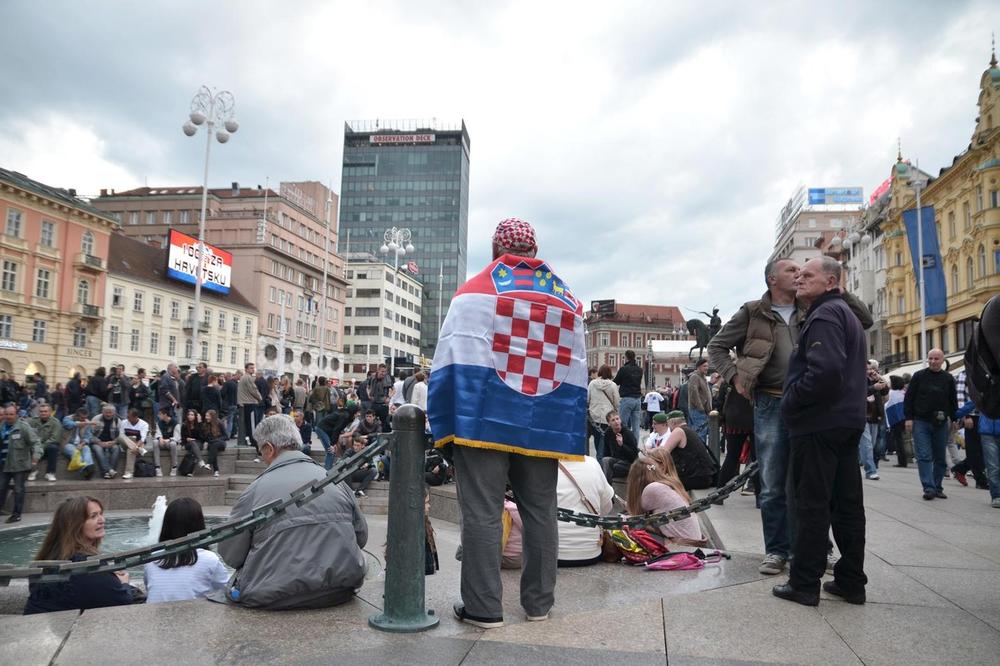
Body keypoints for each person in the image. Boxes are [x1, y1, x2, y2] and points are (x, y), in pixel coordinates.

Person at [428, 217, 588, 629]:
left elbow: (450, 360)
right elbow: (575, 373)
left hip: (482, 421)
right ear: (534, 251)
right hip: (542, 422)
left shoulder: (473, 293)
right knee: (541, 512)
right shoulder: (567, 302)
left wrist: (443, 418)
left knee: (482, 511)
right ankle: (539, 605)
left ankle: (483, 608)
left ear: (495, 250)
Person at [707, 257, 872, 577]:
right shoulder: (753, 311)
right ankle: (777, 550)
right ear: (772, 279)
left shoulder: (813, 305)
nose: (799, 274)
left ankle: (813, 550)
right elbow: (717, 347)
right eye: (791, 270)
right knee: (772, 481)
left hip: (812, 403)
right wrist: (735, 378)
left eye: (803, 271)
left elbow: (863, 320)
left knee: (811, 483)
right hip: (771, 401)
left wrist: (838, 288)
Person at [772, 256, 868, 607]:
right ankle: (851, 580)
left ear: (831, 281)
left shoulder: (825, 315)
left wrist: (791, 401)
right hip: (846, 421)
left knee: (811, 504)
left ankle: (804, 582)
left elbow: (825, 372)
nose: (799, 279)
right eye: (798, 274)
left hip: (818, 423)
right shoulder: (846, 314)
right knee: (847, 505)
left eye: (808, 275)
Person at [216, 415, 368, 609]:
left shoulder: (254, 491)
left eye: (261, 451)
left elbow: (231, 555)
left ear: (269, 448)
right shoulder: (333, 480)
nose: (262, 458)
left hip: (274, 595)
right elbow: (361, 537)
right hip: (340, 589)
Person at [23, 496, 135, 614]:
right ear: (75, 525)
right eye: (93, 516)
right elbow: (122, 600)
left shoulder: (50, 555)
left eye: (101, 514)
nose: (102, 520)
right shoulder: (87, 564)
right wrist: (124, 582)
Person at [144, 497, 229, 603]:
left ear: (166, 524)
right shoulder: (209, 559)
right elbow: (225, 589)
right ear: (199, 524)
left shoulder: (152, 558)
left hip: (154, 612)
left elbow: (149, 588)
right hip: (194, 612)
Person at [904, 349, 958, 500]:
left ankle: (937, 486)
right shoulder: (918, 376)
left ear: (942, 360)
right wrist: (908, 418)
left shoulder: (948, 378)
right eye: (930, 358)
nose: (933, 361)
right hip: (921, 421)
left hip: (941, 422)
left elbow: (953, 400)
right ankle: (929, 487)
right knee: (924, 455)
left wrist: (954, 419)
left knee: (940, 457)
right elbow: (909, 398)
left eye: (936, 359)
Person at [625, 447, 704, 545]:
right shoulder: (670, 483)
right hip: (693, 541)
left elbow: (637, 518)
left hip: (683, 545)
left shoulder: (652, 488)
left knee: (632, 532)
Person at [555, 455, 614, 566]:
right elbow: (607, 507)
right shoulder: (592, 463)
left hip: (550, 554)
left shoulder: (541, 466)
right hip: (590, 552)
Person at [1, 403, 41, 522]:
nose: (8, 416)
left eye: (11, 414)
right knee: (1, 488)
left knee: (19, 489)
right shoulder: (1, 426)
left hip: (19, 464)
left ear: (16, 415)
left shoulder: (23, 427)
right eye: (6, 414)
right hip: (3, 464)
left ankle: (16, 514)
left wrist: (36, 456)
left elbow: (36, 442)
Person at [659, 410, 718, 490]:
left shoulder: (678, 431)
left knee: (659, 483)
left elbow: (663, 452)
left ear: (673, 422)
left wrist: (650, 454)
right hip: (703, 476)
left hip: (695, 478)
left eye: (668, 424)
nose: (668, 427)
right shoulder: (689, 430)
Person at [859, 361, 888, 481]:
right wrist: (873, 387)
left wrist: (880, 379)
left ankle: (864, 462)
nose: (870, 371)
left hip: (875, 416)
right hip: (863, 414)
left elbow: (885, 391)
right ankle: (871, 470)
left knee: (872, 443)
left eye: (872, 369)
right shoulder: (858, 379)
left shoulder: (874, 379)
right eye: (867, 369)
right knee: (867, 443)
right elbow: (860, 393)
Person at [588, 365, 619, 460]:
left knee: (597, 440)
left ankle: (599, 458)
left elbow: (588, 398)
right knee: (605, 441)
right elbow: (616, 402)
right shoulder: (613, 385)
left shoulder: (592, 383)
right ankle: (602, 460)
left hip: (594, 416)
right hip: (607, 418)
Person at [613, 350, 643, 444]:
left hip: (627, 398)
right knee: (636, 426)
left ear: (626, 357)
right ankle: (634, 446)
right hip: (637, 399)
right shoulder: (640, 369)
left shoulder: (623, 369)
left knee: (623, 425)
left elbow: (616, 382)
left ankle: (623, 444)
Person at [28, 403, 63, 482]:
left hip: (47, 446)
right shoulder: (32, 421)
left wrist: (40, 447)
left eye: (45, 411)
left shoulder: (56, 422)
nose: (43, 413)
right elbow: (29, 435)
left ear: (50, 412)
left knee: (53, 447)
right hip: (35, 445)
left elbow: (54, 438)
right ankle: (33, 470)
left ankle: (50, 473)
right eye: (41, 411)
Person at [601, 411, 639, 482]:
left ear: (620, 420)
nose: (616, 422)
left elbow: (634, 456)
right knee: (604, 461)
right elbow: (606, 452)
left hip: (630, 463)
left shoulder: (627, 433)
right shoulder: (608, 432)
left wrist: (622, 445)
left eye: (617, 419)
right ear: (609, 423)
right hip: (616, 460)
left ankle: (607, 485)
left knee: (615, 466)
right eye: (613, 420)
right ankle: (606, 485)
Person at [89, 403, 123, 479]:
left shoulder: (118, 421)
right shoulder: (96, 419)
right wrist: (98, 442)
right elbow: (89, 434)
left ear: (114, 413)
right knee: (98, 450)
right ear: (102, 412)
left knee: (117, 449)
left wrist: (114, 442)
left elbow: (121, 435)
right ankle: (109, 471)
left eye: (110, 412)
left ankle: (109, 472)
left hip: (112, 442)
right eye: (106, 412)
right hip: (97, 442)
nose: (108, 414)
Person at [237, 362, 262, 456]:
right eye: (251, 368)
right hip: (250, 403)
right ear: (246, 369)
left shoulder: (244, 377)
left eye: (253, 368)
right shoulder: (248, 377)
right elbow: (253, 389)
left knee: (248, 425)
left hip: (246, 403)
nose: (253, 369)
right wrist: (260, 398)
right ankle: (255, 445)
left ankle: (252, 442)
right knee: (252, 425)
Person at [119, 408, 150, 480]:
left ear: (135, 417)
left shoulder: (144, 424)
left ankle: (129, 473)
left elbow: (142, 439)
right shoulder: (124, 422)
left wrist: (136, 447)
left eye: (129, 417)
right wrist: (135, 447)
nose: (127, 418)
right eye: (127, 416)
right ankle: (139, 450)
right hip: (125, 442)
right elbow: (121, 435)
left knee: (130, 450)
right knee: (120, 436)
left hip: (138, 443)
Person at [687, 358, 712, 442]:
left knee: (702, 432)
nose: (707, 368)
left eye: (707, 366)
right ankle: (700, 450)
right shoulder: (695, 377)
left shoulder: (702, 377)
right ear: (698, 367)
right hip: (697, 410)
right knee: (701, 433)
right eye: (704, 366)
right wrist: (701, 408)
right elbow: (694, 394)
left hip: (701, 410)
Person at [152, 407, 181, 477]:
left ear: (165, 415)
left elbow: (177, 437)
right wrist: (160, 438)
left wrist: (168, 440)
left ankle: (174, 466)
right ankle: (157, 467)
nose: (158, 416)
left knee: (173, 444)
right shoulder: (159, 423)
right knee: (155, 442)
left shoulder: (175, 423)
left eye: (160, 414)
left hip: (170, 442)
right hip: (162, 442)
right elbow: (158, 433)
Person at [181, 409, 211, 474]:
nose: (190, 416)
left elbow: (203, 438)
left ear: (195, 416)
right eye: (189, 415)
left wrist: (200, 423)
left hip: (199, 443)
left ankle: (190, 471)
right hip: (188, 443)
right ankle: (201, 461)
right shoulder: (184, 425)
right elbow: (182, 438)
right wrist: (187, 439)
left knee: (193, 450)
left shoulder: (199, 424)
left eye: (192, 415)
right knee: (193, 443)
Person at [367, 365, 394, 431]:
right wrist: (369, 395)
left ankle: (384, 434)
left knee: (384, 422)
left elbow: (394, 390)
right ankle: (373, 434)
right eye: (382, 371)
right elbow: (367, 387)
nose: (383, 373)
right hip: (374, 403)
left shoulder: (387, 378)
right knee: (372, 421)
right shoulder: (372, 377)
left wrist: (389, 398)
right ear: (378, 371)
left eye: (385, 371)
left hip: (383, 403)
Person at [202, 409, 227, 477]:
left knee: (214, 445)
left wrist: (217, 439)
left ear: (212, 417)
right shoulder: (205, 425)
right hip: (212, 444)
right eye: (206, 416)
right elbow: (204, 437)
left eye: (208, 416)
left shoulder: (219, 423)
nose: (206, 418)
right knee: (213, 448)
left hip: (220, 442)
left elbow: (226, 436)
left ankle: (209, 464)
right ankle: (216, 471)